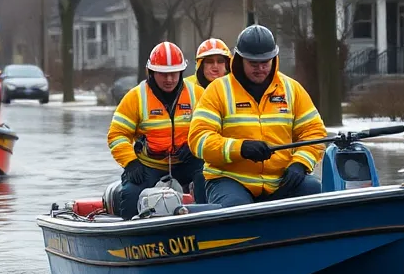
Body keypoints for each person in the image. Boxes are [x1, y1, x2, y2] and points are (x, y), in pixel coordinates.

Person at [187, 24, 327, 208]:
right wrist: (241, 148)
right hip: (230, 180)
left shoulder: (292, 89)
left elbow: (314, 133)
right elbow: (199, 139)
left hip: (281, 179)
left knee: (315, 193)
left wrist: (300, 163)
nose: (260, 68)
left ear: (273, 59)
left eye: (265, 62)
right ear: (240, 59)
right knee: (237, 210)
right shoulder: (217, 90)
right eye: (253, 64)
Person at [106, 42, 202, 219]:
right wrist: (130, 162)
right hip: (148, 165)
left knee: (207, 179)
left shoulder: (198, 94)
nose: (169, 80)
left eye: (173, 74)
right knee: (130, 196)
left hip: (188, 161)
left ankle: (207, 226)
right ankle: (130, 237)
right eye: (163, 74)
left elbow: (210, 129)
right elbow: (117, 134)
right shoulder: (135, 97)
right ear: (151, 72)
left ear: (181, 72)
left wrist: (194, 147)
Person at [186, 38, 232, 203]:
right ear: (200, 65)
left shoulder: (237, 89)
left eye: (220, 61)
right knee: (200, 171)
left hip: (228, 150)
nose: (215, 66)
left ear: (228, 64)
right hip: (192, 152)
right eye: (209, 62)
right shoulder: (186, 88)